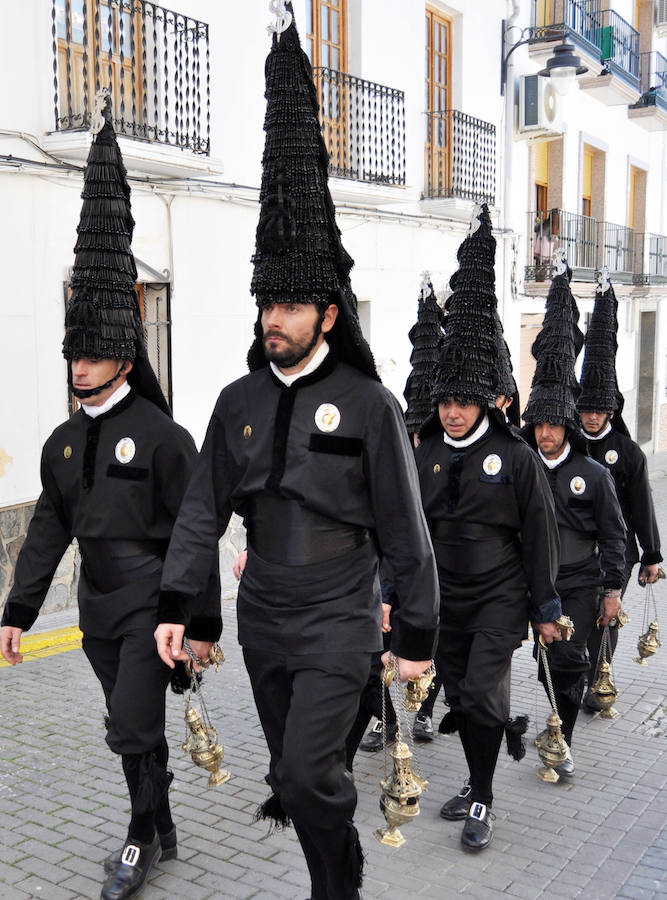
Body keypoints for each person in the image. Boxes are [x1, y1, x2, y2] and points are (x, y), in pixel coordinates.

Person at [154, 11, 439, 900]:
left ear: (325, 312)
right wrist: (186, 612)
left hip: (339, 612)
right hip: (264, 607)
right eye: (264, 302)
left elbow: (404, 527)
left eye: (290, 303)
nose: (273, 317)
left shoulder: (368, 403)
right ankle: (332, 874)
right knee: (291, 773)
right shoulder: (234, 403)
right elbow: (202, 509)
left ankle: (338, 880)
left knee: (315, 772)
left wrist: (417, 639)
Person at [0, 92, 220, 900]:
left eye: (96, 354)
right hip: (95, 603)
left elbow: (196, 528)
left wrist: (202, 624)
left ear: (125, 357)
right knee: (136, 731)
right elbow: (50, 529)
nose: (82, 367)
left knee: (129, 724)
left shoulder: (163, 436)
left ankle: (140, 840)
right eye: (75, 354)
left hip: (154, 604)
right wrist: (18, 612)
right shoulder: (62, 443)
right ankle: (160, 817)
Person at [411, 204, 562, 851]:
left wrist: (546, 605)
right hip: (444, 600)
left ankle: (483, 799)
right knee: (462, 695)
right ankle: (477, 780)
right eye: (445, 400)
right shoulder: (425, 452)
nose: (450, 411)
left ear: (486, 399)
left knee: (477, 690)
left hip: (500, 598)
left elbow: (539, 535)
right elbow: (407, 531)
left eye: (461, 401)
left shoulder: (518, 457)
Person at [521, 255, 626, 772]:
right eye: (538, 425)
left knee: (566, 658)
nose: (545, 434)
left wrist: (611, 592)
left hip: (581, 583)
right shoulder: (520, 468)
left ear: (567, 426)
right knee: (546, 667)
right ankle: (559, 708)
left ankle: (560, 739)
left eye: (554, 425)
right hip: (533, 581)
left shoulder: (595, 474)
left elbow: (614, 535)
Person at [576, 270, 663, 710]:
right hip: (572, 550)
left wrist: (651, 556)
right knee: (577, 621)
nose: (591, 417)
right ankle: (576, 679)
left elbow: (643, 506)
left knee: (605, 618)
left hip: (616, 554)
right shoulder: (566, 445)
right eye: (586, 410)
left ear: (611, 409)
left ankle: (599, 681)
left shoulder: (628, 453)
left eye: (599, 410)